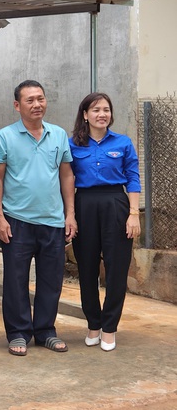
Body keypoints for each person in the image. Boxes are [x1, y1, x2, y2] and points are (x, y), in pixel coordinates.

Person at [0, 80, 77, 356]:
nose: (37, 104)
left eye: (40, 98)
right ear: (17, 105)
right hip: (16, 220)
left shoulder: (59, 134)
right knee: (15, 280)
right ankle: (18, 333)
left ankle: (45, 331)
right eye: (30, 100)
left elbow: (66, 175)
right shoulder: (5, 136)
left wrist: (70, 214)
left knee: (51, 280)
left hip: (52, 220)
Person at [69, 92, 141, 352]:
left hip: (116, 204)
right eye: (96, 109)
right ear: (85, 115)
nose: (102, 114)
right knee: (86, 269)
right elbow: (66, 180)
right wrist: (70, 215)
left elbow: (133, 178)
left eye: (106, 109)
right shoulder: (72, 144)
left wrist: (134, 214)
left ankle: (110, 327)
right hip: (84, 204)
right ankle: (93, 324)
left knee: (116, 269)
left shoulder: (122, 143)